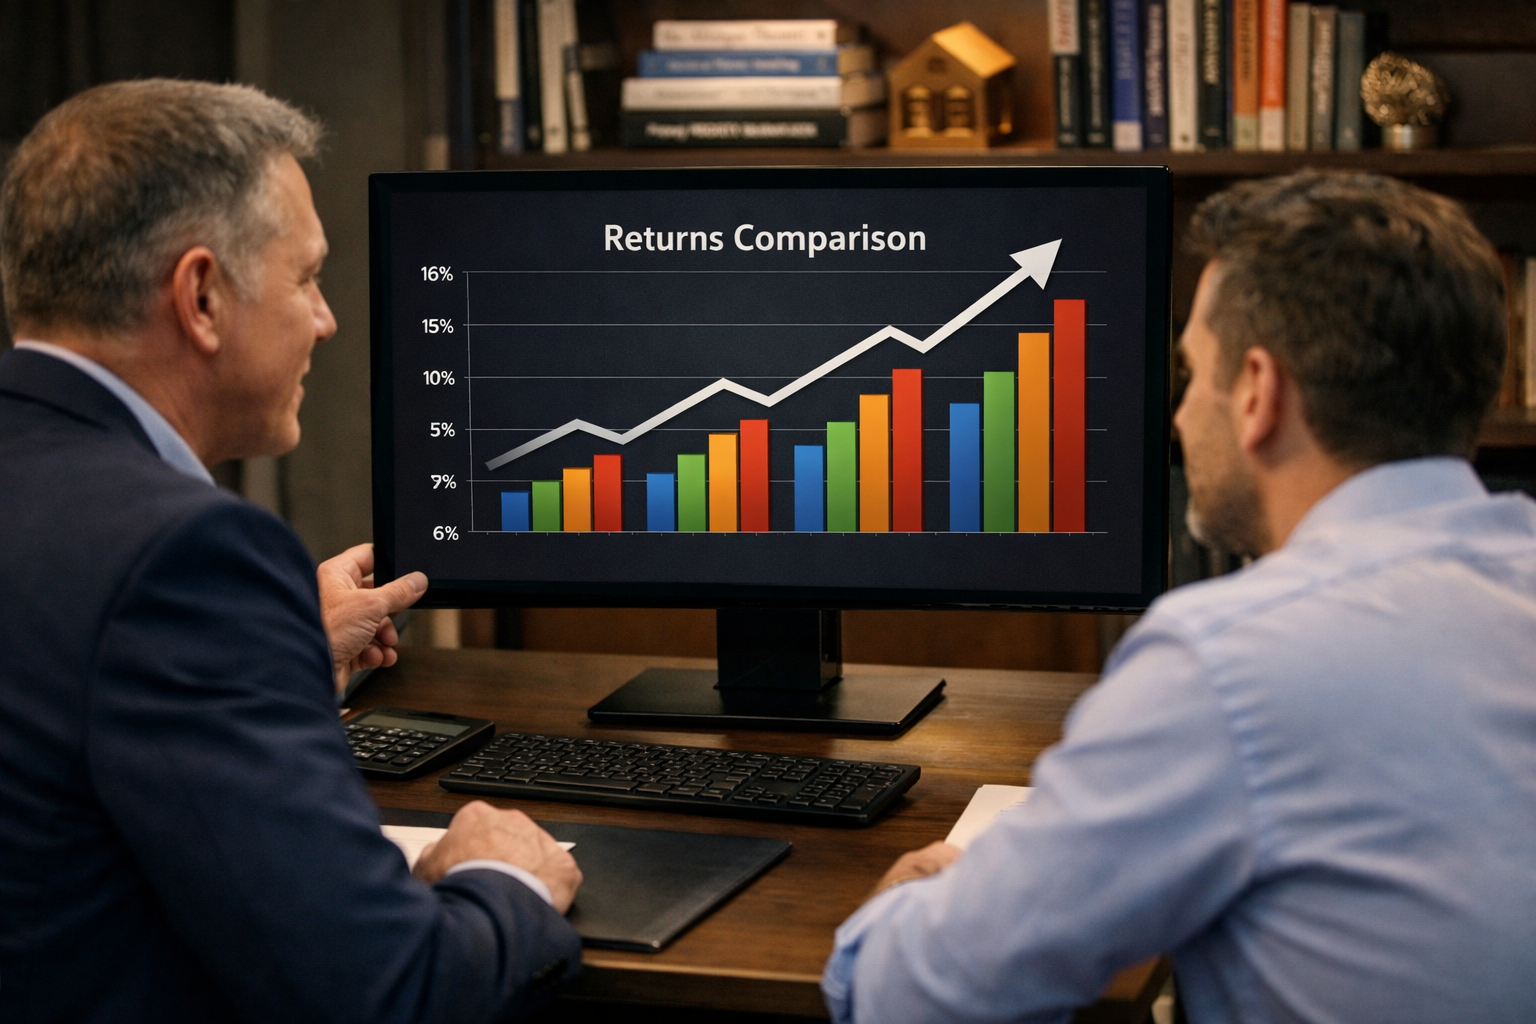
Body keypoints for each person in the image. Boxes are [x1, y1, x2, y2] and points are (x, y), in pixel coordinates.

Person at [822, 170, 1536, 1023]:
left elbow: (914, 999)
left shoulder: (1230, 662)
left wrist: (912, 906)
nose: (1177, 415)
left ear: (1258, 394)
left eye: (1193, 372)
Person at [0, 80, 582, 1022]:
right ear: (201, 296)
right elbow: (391, 993)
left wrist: (280, 660)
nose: (327, 320)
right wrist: (501, 879)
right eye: (307, 277)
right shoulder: (187, 554)